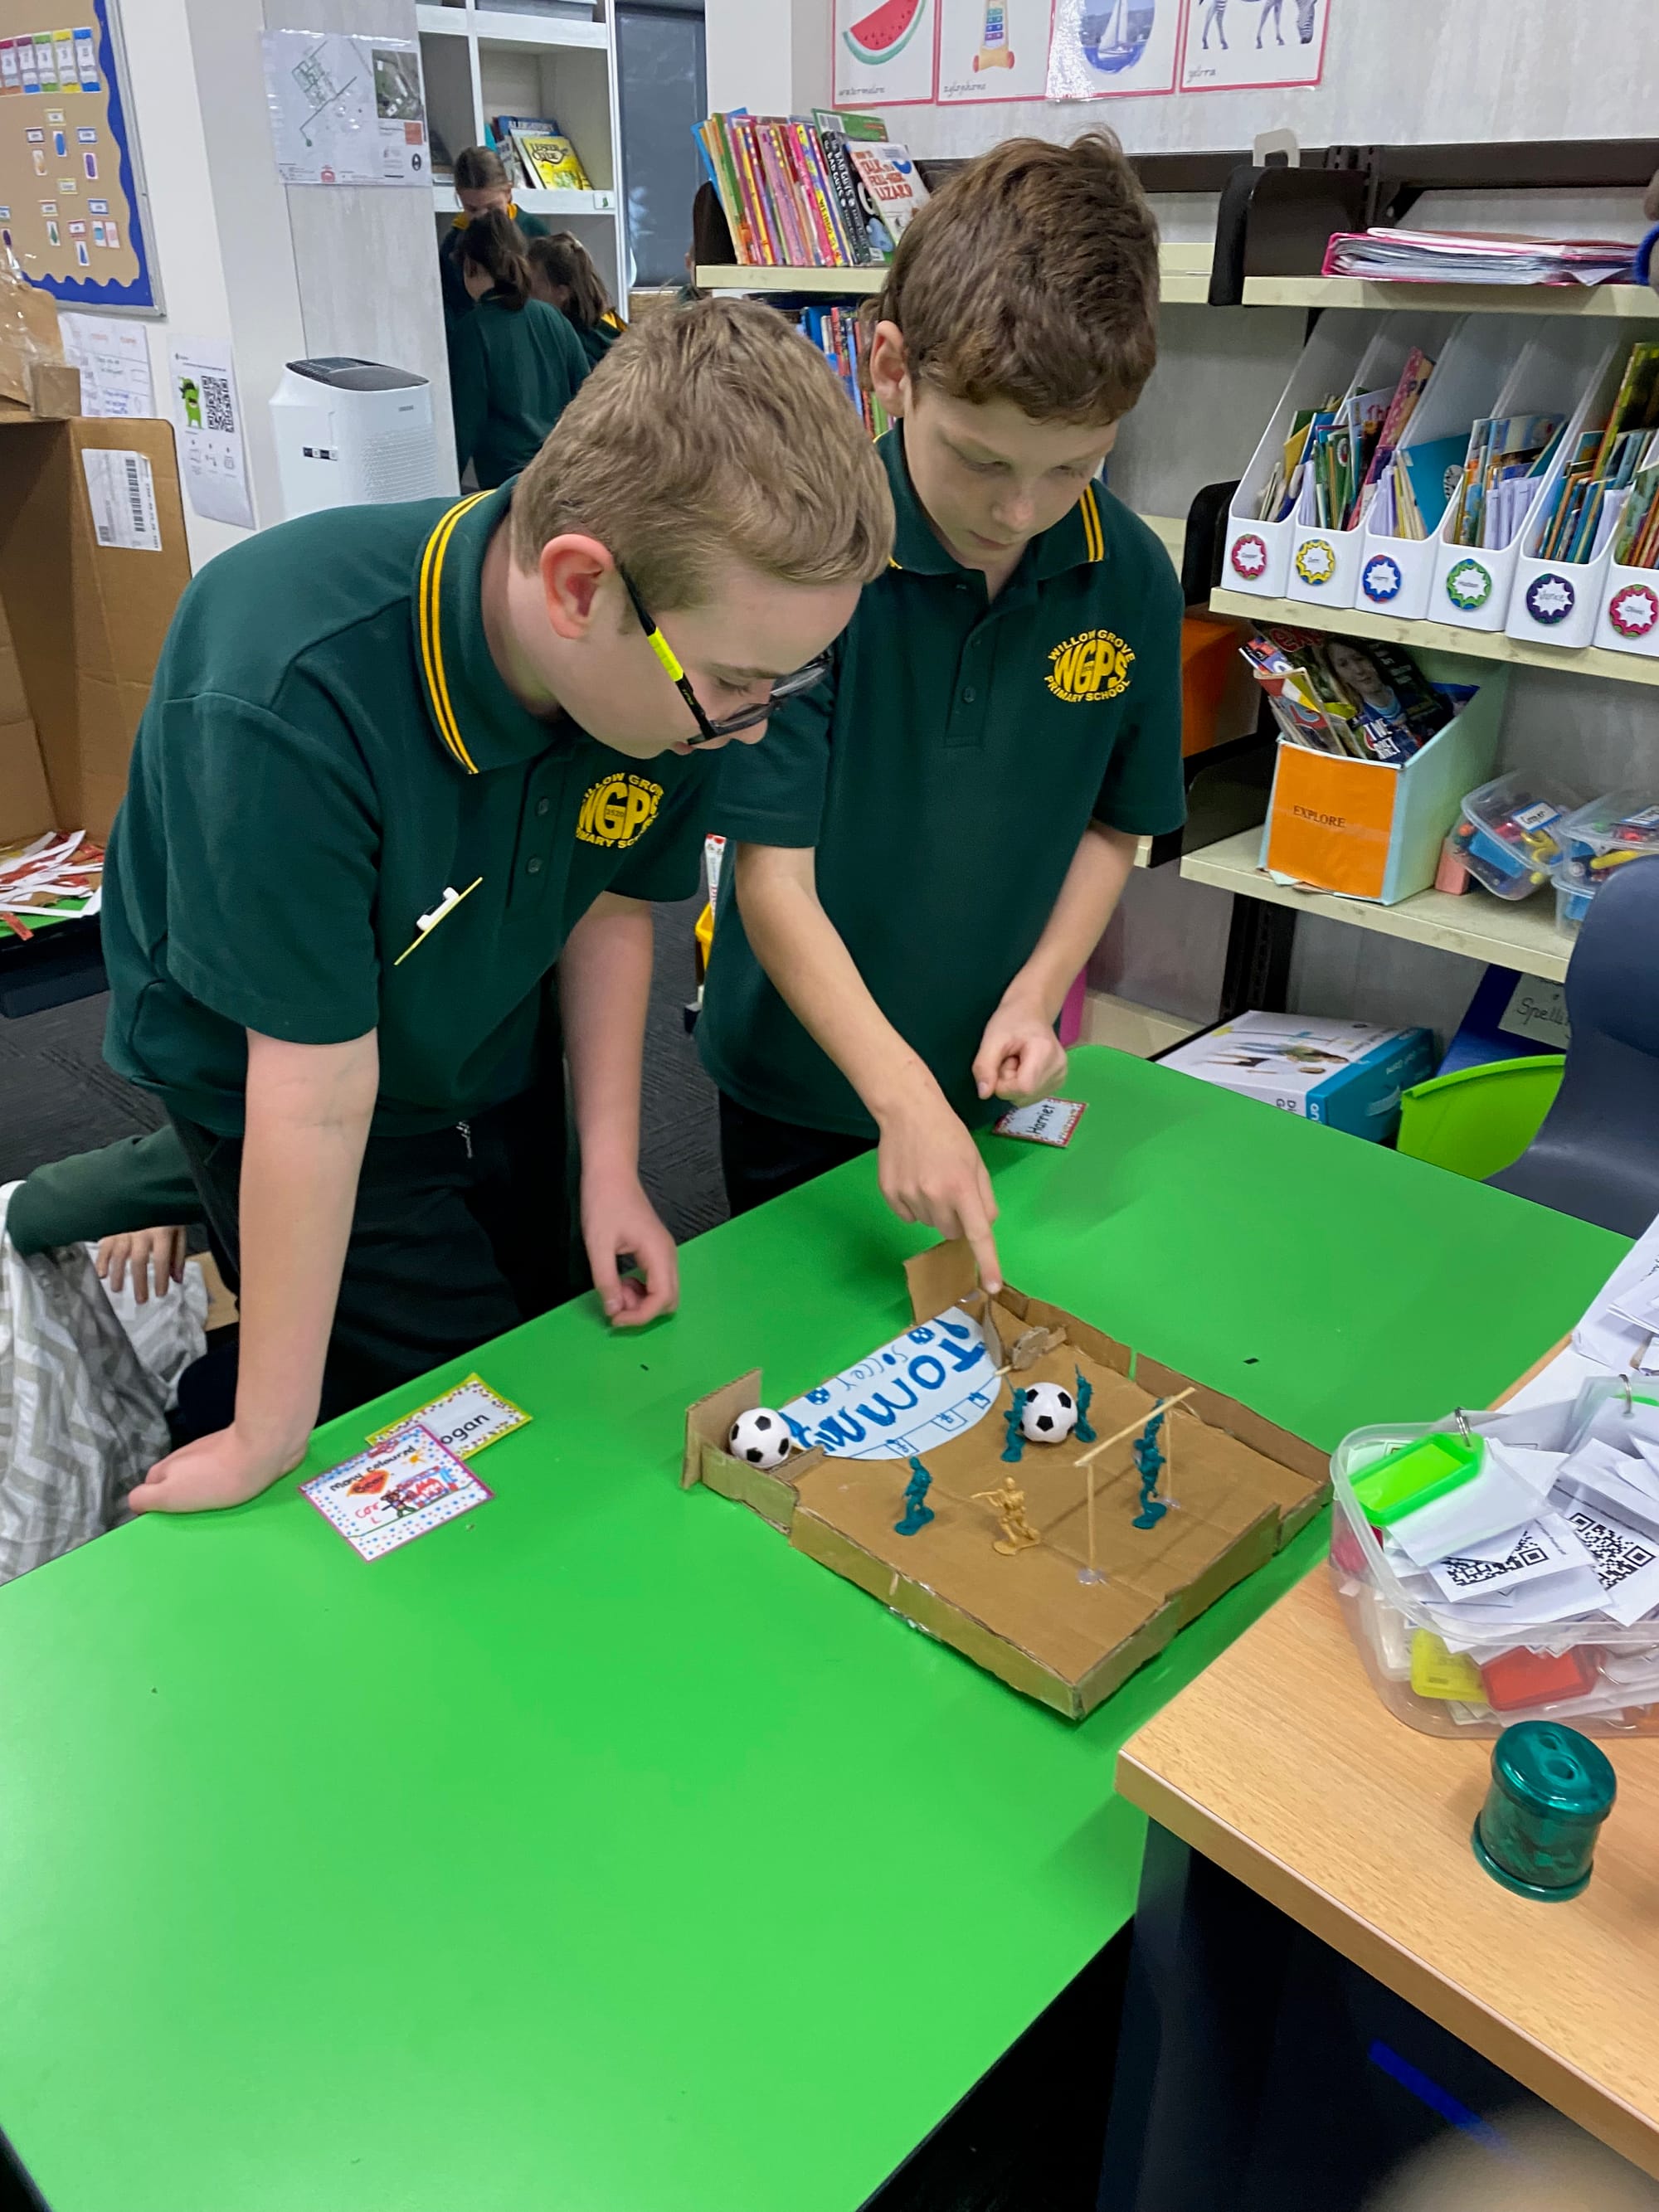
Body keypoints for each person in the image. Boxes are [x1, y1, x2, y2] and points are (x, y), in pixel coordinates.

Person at [99, 298, 894, 1515]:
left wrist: (613, 1164)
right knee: (455, 1395)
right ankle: (177, 1251)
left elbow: (618, 902)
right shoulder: (287, 682)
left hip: (481, 985)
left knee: (552, 1308)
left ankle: (216, 1237)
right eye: (739, 681)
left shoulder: (657, 685)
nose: (760, 719)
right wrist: (270, 1428)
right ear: (581, 588)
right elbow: (313, 1097)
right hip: (286, 1061)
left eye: (786, 680)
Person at [698, 134, 1185, 1291]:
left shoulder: (1131, 580)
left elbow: (1120, 823)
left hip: (985, 1075)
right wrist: (898, 1092)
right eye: (980, 459)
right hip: (803, 1084)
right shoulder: (809, 570)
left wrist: (1034, 991)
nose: (1020, 508)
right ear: (891, 365)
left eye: (1074, 466)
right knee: (798, 1378)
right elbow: (772, 878)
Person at [448, 210, 593, 489]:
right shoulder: (553, 318)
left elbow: (465, 425)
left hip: (509, 485)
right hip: (565, 474)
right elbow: (588, 396)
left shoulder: (473, 330)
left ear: (471, 267)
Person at [438, 145, 550, 325]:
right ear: (459, 197)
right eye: (472, 209)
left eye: (492, 208)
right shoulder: (452, 246)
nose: (483, 218)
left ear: (508, 192)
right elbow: (451, 311)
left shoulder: (534, 232)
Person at [528, 233, 626, 369]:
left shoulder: (572, 347)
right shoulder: (611, 325)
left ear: (562, 293)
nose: (527, 299)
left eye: (532, 291)